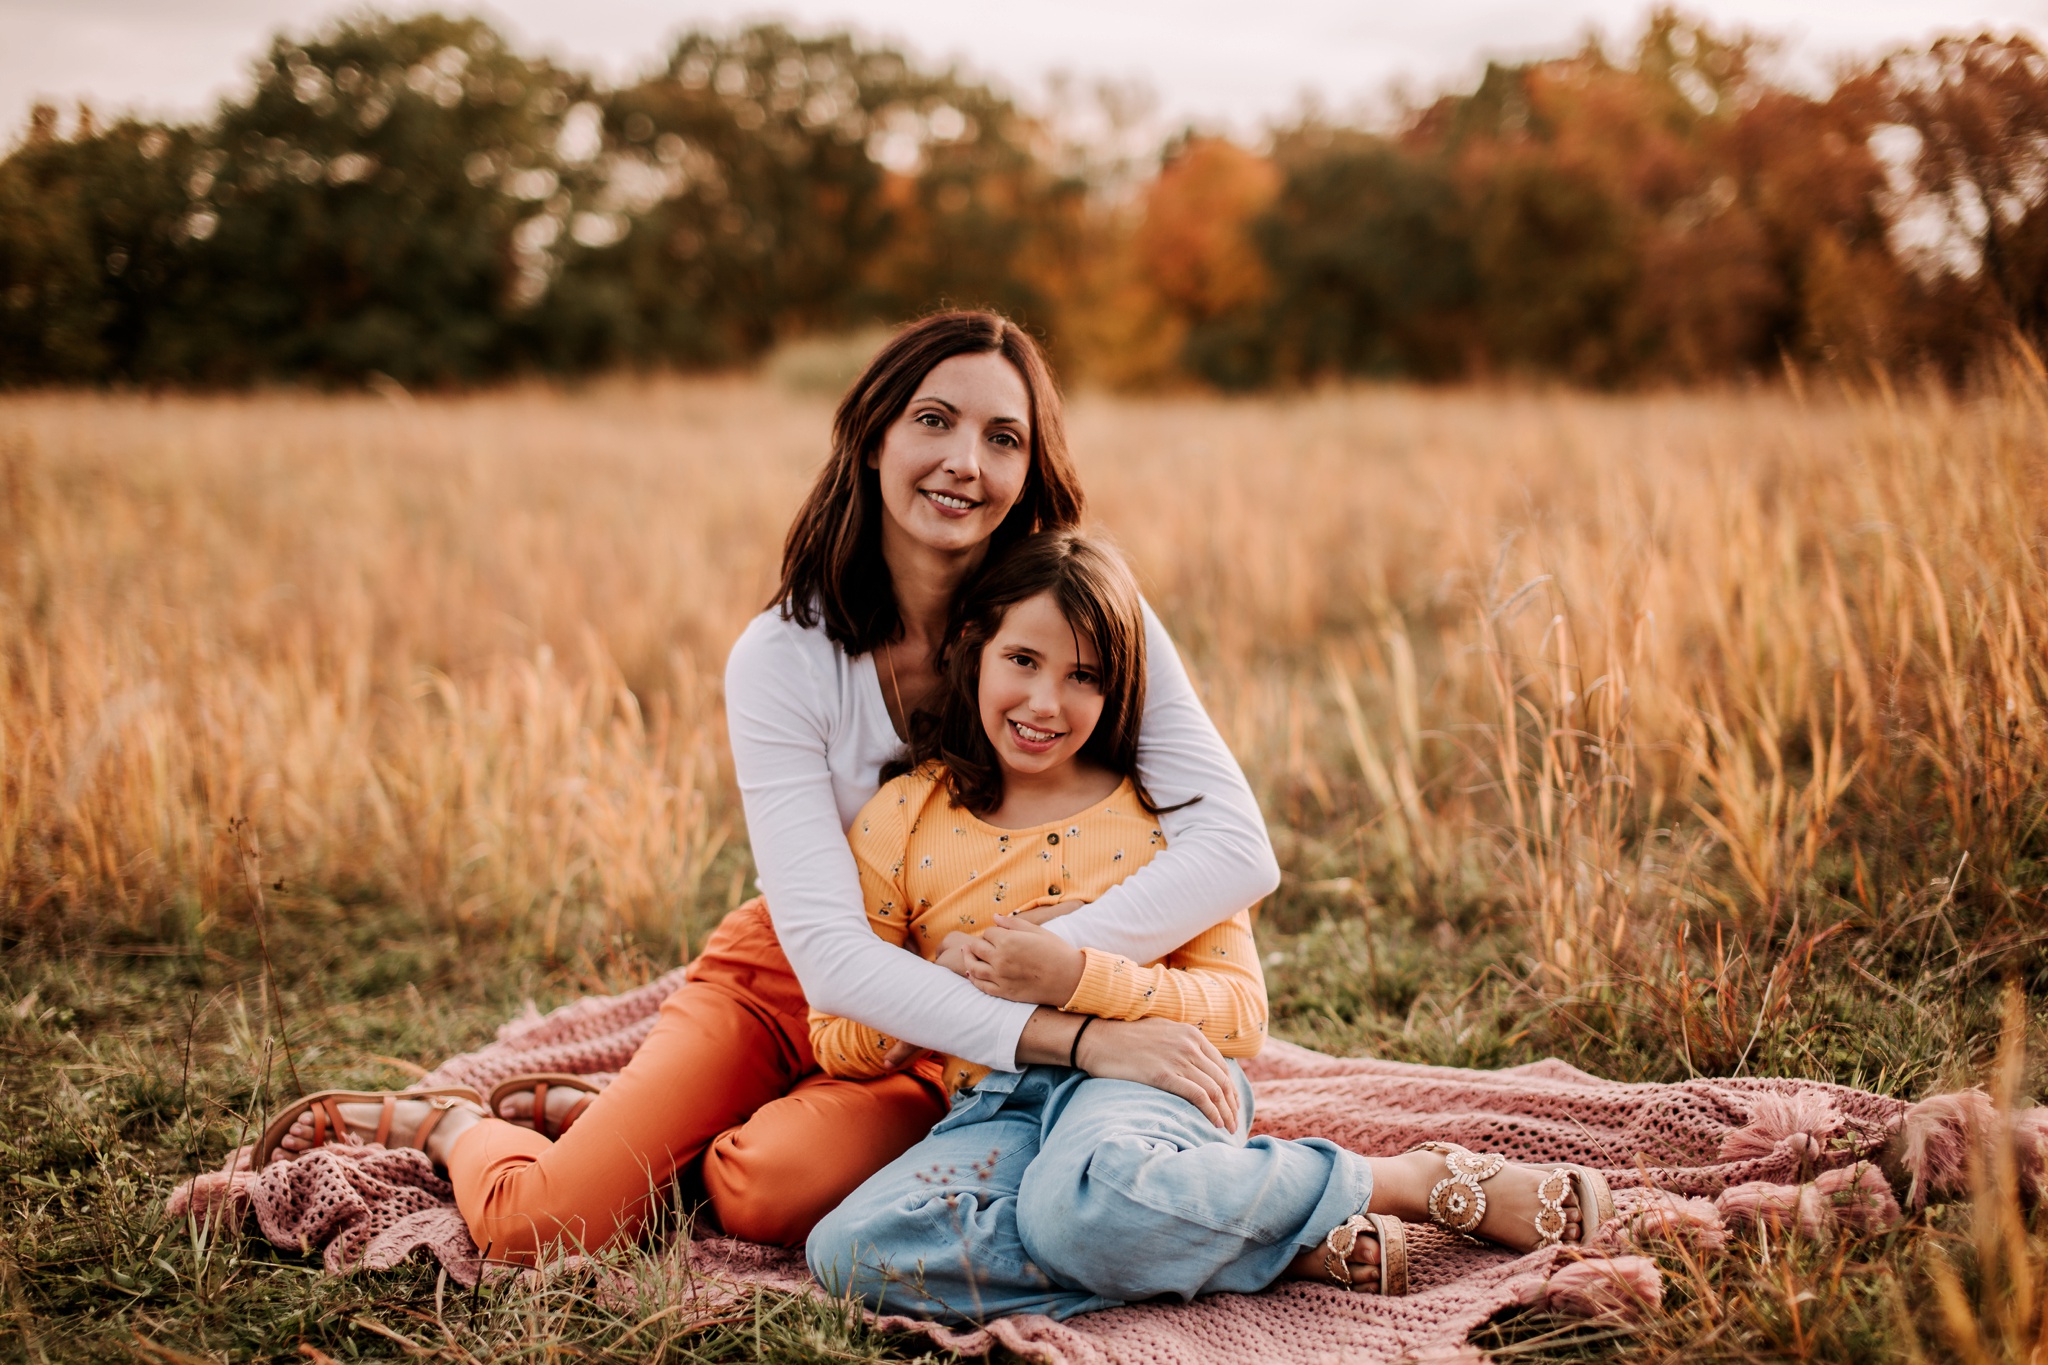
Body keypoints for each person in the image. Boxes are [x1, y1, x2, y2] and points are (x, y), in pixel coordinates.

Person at [256, 310, 1285, 1260]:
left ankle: (651, 1129)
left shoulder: (1084, 621)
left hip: (961, 1013)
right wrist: (1071, 1031)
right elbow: (834, 962)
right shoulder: (783, 656)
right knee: (543, 1230)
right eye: (934, 420)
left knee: (763, 1195)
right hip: (800, 967)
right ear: (875, 435)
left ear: (1033, 464)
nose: (964, 463)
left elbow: (1235, 850)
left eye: (1003, 437)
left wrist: (1044, 960)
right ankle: (464, 1126)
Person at [804, 528, 1613, 1319]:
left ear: (1120, 687)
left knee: (1080, 1207)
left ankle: (1406, 1179)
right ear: (973, 645)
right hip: (994, 1105)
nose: (1045, 702)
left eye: (1084, 676)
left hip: (1145, 1084)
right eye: (1022, 659)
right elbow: (839, 1033)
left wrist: (1078, 975)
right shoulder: (904, 816)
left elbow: (1240, 1013)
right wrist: (934, 985)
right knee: (853, 1247)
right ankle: (1278, 1244)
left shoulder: (1162, 817)